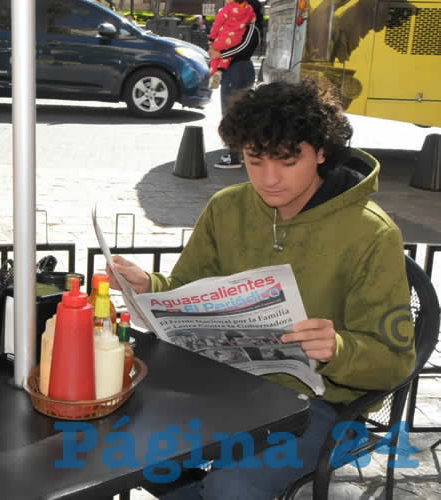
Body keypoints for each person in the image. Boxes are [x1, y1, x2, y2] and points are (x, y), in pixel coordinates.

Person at [107, 80, 415, 500]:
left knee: (232, 488)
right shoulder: (227, 207)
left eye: (288, 162)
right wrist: (149, 287)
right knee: (119, 446)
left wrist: (338, 349)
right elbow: (186, 292)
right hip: (223, 385)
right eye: (255, 160)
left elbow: (395, 364)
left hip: (320, 406)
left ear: (322, 152)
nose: (269, 179)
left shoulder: (371, 233)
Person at [209, 0, 262, 169]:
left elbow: (244, 48)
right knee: (230, 111)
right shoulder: (236, 25)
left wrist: (220, 53)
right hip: (232, 70)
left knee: (234, 112)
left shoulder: (251, 29)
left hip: (239, 69)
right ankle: (237, 153)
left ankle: (234, 156)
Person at [207, 1, 256, 89]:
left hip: (223, 37)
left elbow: (217, 24)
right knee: (227, 56)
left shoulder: (227, 9)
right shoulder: (249, 9)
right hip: (235, 39)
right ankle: (219, 72)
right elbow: (252, 18)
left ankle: (213, 74)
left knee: (214, 56)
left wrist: (211, 38)